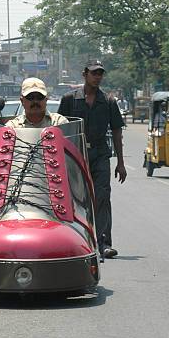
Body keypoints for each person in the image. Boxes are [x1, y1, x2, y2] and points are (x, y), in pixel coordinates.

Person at [58, 59, 126, 259]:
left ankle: (103, 242)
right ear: (85, 74)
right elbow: (58, 128)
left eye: (100, 73)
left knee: (102, 196)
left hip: (100, 154)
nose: (98, 77)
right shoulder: (70, 99)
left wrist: (120, 163)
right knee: (73, 198)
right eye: (94, 73)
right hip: (75, 154)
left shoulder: (109, 102)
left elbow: (116, 132)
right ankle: (72, 240)